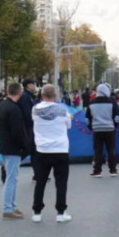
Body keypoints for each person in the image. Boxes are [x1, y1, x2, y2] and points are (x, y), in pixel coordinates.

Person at [31, 84, 72, 223]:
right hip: (60, 149)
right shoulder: (63, 110)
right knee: (61, 182)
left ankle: (37, 212)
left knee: (40, 181)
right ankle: (60, 212)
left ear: (42, 95)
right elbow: (69, 125)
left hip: (42, 150)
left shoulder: (35, 109)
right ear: (55, 95)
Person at [0, 83, 30, 219]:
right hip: (13, 147)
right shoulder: (15, 109)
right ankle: (7, 208)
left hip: (4, 144)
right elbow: (17, 131)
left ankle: (12, 206)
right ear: (19, 93)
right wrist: (23, 145)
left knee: (12, 178)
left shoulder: (1, 105)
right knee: (11, 179)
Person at [86, 84, 119, 177]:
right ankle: (113, 170)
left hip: (97, 129)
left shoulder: (92, 102)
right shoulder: (111, 101)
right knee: (111, 150)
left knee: (98, 150)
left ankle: (97, 171)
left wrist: (91, 127)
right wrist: (115, 126)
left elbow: (88, 118)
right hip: (110, 128)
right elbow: (116, 116)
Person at [18, 79, 38, 181]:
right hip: (28, 127)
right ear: (27, 85)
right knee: (28, 149)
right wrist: (33, 123)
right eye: (32, 84)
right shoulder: (25, 96)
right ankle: (7, 167)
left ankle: (37, 174)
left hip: (30, 127)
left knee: (34, 150)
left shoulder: (30, 96)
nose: (34, 85)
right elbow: (27, 113)